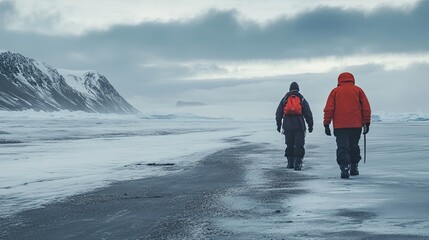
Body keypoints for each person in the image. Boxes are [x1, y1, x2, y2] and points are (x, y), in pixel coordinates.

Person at [323, 72, 371, 179]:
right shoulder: (358, 90)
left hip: (340, 126)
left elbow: (329, 109)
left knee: (342, 147)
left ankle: (344, 167)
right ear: (352, 79)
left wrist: (326, 124)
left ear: (339, 80)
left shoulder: (335, 92)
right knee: (354, 145)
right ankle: (354, 167)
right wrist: (366, 123)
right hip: (355, 125)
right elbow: (366, 108)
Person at [276, 82, 314, 170]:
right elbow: (308, 113)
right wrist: (310, 125)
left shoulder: (285, 98)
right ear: (298, 89)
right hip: (299, 124)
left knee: (289, 144)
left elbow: (279, 112)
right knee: (299, 144)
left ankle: (290, 162)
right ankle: (298, 163)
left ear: (290, 89)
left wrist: (278, 124)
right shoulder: (301, 98)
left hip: (287, 124)